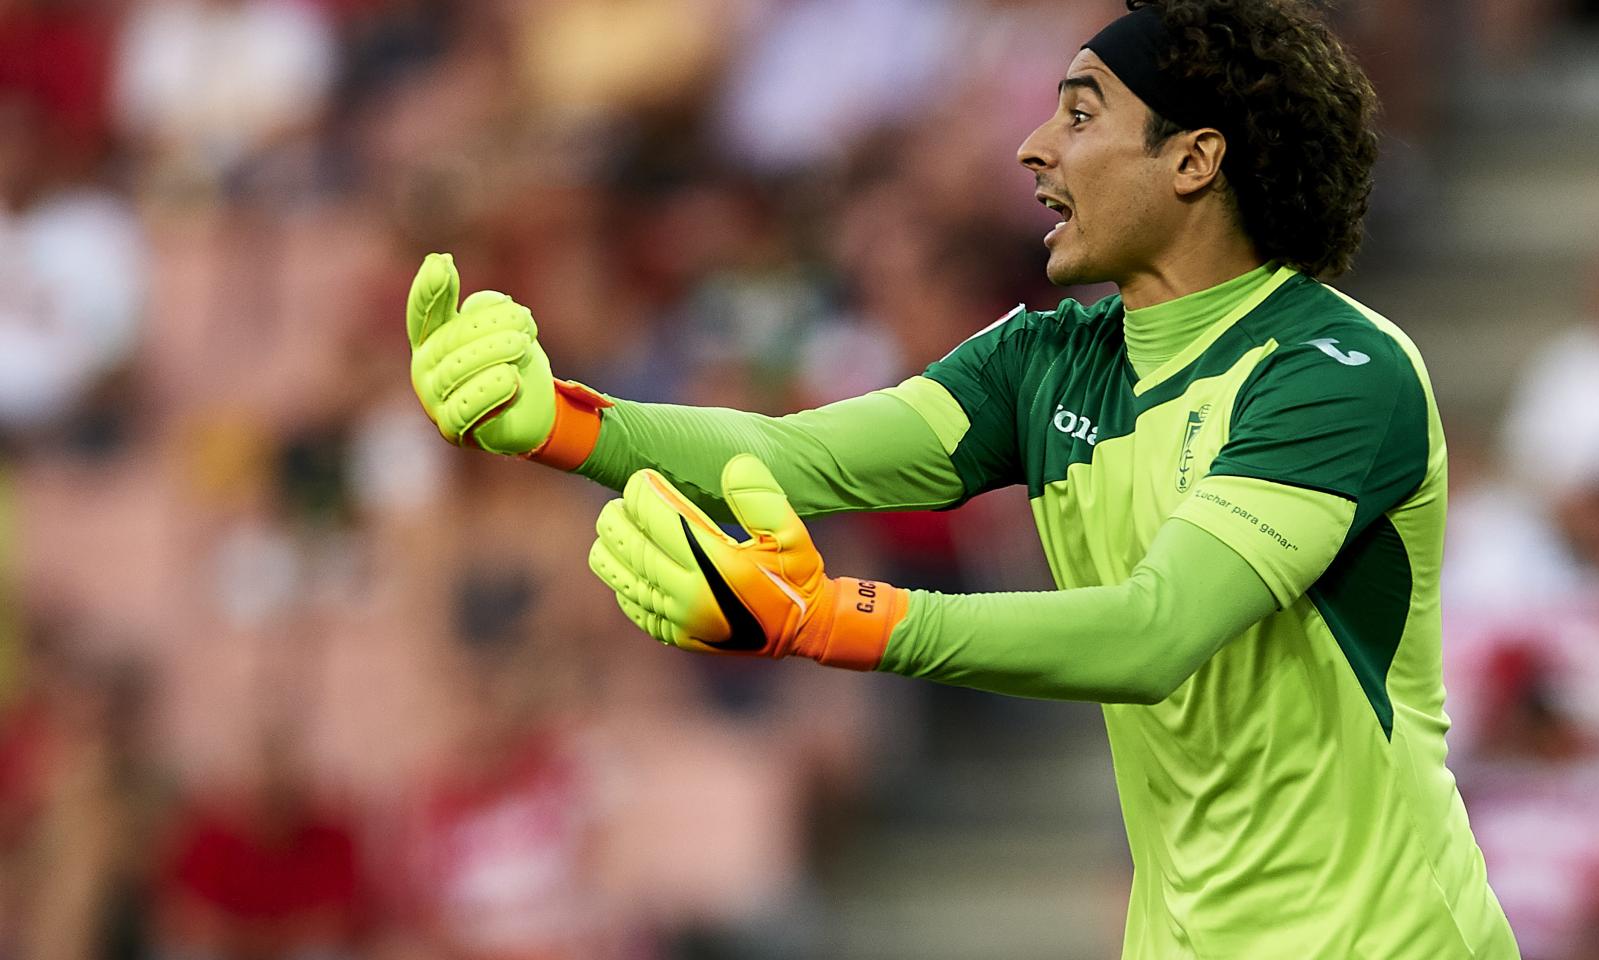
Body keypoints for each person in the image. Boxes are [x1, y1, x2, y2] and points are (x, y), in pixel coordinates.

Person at [403, 0, 1519, 955]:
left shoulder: (1333, 370)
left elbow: (1152, 635)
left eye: (1080, 115)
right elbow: (796, 457)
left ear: (1193, 158)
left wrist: (831, 620)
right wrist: (554, 421)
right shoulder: (1042, 360)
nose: (1033, 147)